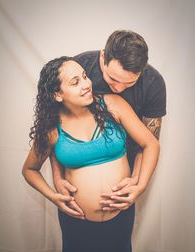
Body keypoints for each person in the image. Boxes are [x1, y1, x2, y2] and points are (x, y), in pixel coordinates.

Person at [22, 56, 160, 252]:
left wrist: (141, 185)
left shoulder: (112, 105)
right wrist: (53, 196)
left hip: (120, 217)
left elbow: (151, 144)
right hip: (76, 222)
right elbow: (29, 170)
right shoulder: (52, 129)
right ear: (58, 94)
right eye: (75, 82)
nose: (87, 84)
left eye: (85, 76)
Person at [50, 30, 166, 221]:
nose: (119, 89)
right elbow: (55, 128)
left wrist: (138, 182)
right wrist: (57, 177)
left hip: (123, 173)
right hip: (76, 185)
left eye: (130, 83)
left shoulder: (153, 83)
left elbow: (149, 142)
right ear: (103, 56)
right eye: (112, 79)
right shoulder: (79, 69)